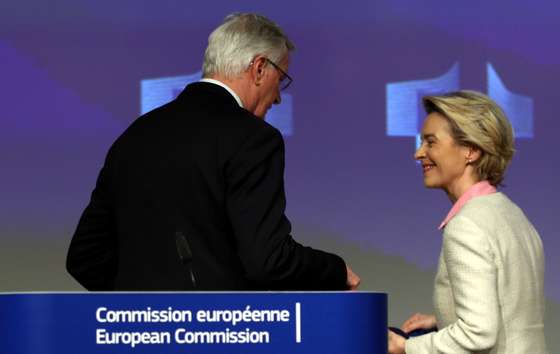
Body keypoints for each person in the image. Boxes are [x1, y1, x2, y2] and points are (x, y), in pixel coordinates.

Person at [66, 13, 360, 291]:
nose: (279, 97)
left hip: (135, 341)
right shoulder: (253, 138)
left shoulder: (135, 135)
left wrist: (145, 313)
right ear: (259, 68)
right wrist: (334, 269)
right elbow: (266, 261)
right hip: (219, 339)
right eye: (281, 78)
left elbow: (86, 257)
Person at [388, 91, 547, 353]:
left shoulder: (467, 226)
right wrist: (445, 319)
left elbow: (479, 334)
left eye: (430, 142)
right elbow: (510, 311)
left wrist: (406, 346)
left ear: (471, 150)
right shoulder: (513, 214)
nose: (419, 153)